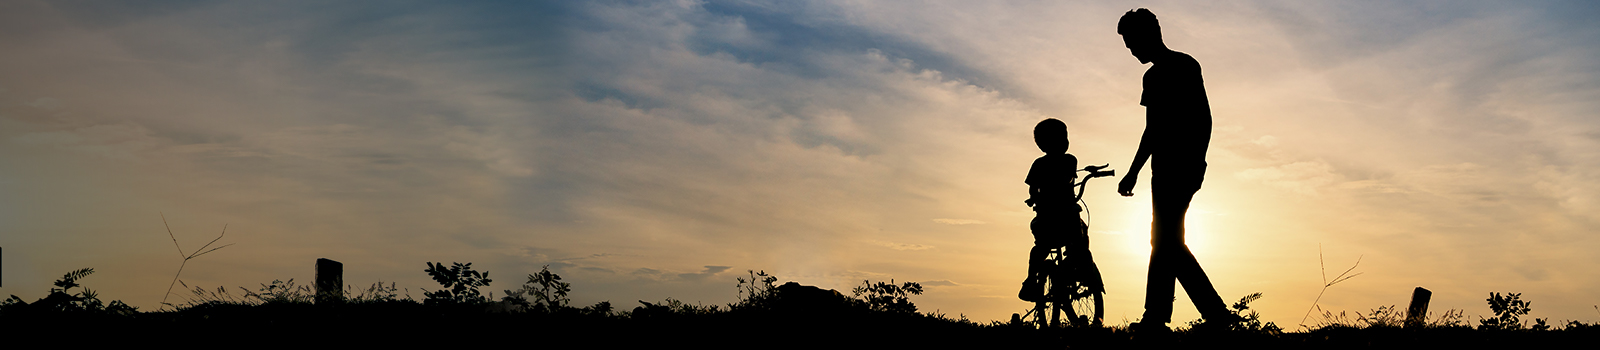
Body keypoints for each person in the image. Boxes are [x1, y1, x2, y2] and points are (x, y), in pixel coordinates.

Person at [1115, 8, 1239, 331]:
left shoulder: (1185, 66)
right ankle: (1160, 316)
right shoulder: (1151, 78)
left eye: (1132, 42)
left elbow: (1204, 119)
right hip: (1163, 170)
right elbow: (1152, 129)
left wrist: (1196, 161)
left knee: (1166, 240)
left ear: (1150, 34)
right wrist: (1136, 171)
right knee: (1165, 240)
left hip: (1182, 168)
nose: (1131, 50)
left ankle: (1210, 315)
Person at [1019, 118, 1098, 302]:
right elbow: (1068, 177)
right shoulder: (1069, 160)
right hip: (1065, 214)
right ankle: (1082, 270)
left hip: (1045, 216)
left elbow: (1032, 187)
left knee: (1041, 247)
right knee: (1079, 239)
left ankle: (1031, 280)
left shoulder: (1039, 164)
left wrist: (1035, 196)